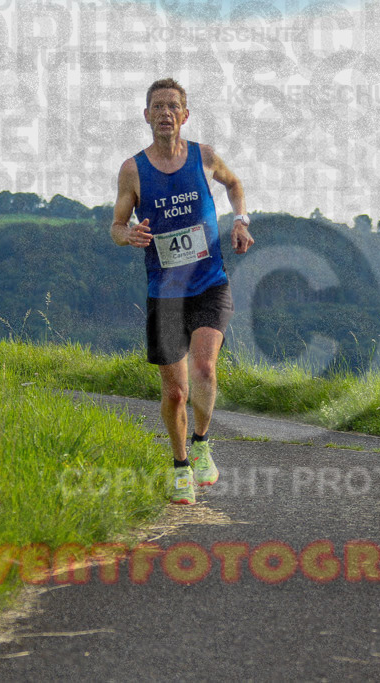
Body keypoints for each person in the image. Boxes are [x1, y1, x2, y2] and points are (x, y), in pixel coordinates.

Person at [110, 78, 254, 505]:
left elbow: (234, 184)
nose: (166, 113)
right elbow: (116, 226)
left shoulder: (204, 157)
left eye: (173, 106)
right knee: (175, 391)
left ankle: (203, 442)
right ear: (147, 115)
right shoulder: (133, 169)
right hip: (165, 291)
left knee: (204, 370)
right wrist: (129, 234)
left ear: (185, 115)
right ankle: (179, 466)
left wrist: (241, 220)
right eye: (158, 106)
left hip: (210, 282)